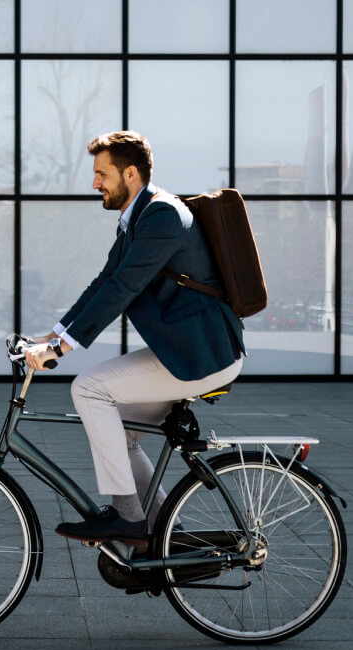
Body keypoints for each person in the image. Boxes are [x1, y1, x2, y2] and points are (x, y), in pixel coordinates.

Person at [25, 130, 245, 544]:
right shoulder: (139, 219)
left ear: (130, 173)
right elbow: (104, 281)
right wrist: (51, 334)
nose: (94, 183)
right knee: (123, 434)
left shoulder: (161, 215)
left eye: (101, 174)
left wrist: (61, 349)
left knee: (89, 389)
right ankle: (165, 536)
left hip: (204, 354)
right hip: (183, 351)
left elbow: (121, 288)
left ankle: (127, 516)